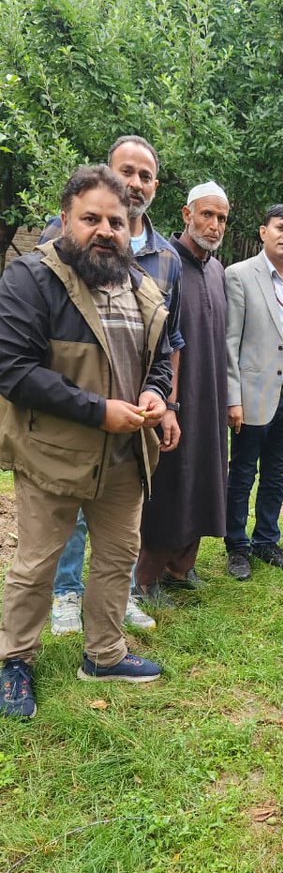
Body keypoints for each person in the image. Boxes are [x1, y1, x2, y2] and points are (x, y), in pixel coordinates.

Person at [0, 165, 172, 719]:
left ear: (132, 228)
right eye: (91, 218)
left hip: (125, 458)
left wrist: (157, 395)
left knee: (117, 559)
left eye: (116, 222)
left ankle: (104, 652)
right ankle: (14, 661)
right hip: (53, 455)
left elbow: (162, 360)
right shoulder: (31, 279)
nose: (105, 230)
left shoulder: (143, 287)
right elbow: (14, 369)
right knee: (37, 565)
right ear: (66, 219)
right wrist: (98, 412)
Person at [46, 135, 183, 633]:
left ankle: (117, 595)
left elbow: (172, 339)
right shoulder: (66, 238)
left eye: (145, 176)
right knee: (74, 508)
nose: (135, 182)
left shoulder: (167, 258)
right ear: (108, 172)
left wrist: (167, 404)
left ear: (155, 187)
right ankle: (64, 595)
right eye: (126, 170)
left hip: (135, 409)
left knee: (122, 512)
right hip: (76, 403)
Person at [132, 182, 229, 601]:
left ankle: (181, 567)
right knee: (169, 486)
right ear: (186, 214)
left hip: (210, 397)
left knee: (205, 478)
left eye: (222, 218)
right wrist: (168, 400)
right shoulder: (165, 264)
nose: (214, 224)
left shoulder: (217, 269)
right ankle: (145, 578)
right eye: (206, 214)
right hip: (171, 397)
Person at [224, 204, 283, 580]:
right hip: (252, 396)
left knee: (277, 473)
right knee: (243, 473)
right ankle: (236, 546)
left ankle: (266, 540)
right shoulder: (240, 276)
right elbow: (230, 343)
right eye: (281, 228)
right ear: (263, 232)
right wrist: (233, 399)